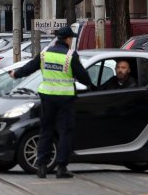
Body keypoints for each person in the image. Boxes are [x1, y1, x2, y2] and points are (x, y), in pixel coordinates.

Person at [9, 26, 93, 179]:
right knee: (65, 132)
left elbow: (30, 67)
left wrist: (16, 74)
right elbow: (84, 77)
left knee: (46, 131)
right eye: (71, 38)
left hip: (47, 98)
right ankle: (61, 167)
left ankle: (41, 166)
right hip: (65, 100)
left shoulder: (44, 54)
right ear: (68, 39)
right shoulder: (70, 56)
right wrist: (86, 82)